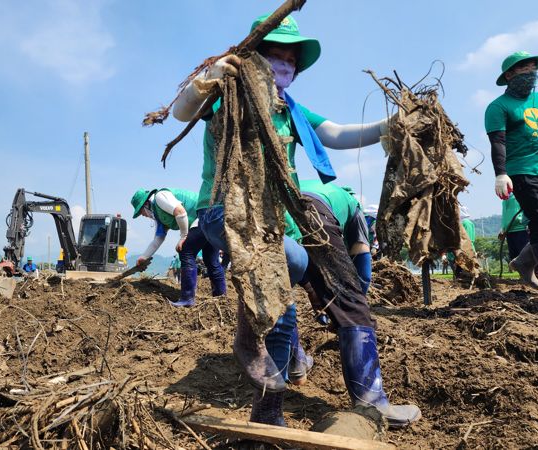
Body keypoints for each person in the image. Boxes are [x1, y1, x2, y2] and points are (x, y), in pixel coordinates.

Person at [172, 14, 419, 427]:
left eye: (290, 59)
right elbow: (182, 111)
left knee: (321, 298)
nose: (283, 64)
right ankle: (249, 339)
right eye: (274, 55)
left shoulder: (291, 110)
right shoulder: (229, 94)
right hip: (226, 213)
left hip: (279, 220)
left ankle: (360, 400)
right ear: (251, 57)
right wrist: (208, 78)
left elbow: (337, 134)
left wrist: (391, 125)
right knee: (290, 267)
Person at [485, 51, 538, 296]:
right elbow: (498, 143)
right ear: (509, 74)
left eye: (534, 67)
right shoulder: (498, 107)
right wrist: (501, 174)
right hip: (523, 172)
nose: (531, 71)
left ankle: (525, 261)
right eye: (524, 67)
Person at [284, 179, 373, 388]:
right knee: (352, 305)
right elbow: (362, 259)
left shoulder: (311, 186)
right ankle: (368, 394)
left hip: (285, 218)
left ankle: (296, 368)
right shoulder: (353, 205)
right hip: (317, 216)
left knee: (282, 294)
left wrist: (311, 288)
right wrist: (354, 303)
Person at [130, 188, 225, 307]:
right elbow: (158, 239)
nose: (143, 215)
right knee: (210, 259)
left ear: (146, 204)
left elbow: (180, 212)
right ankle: (221, 298)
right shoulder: (158, 216)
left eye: (141, 212)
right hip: (209, 218)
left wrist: (183, 236)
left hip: (204, 214)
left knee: (185, 250)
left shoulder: (160, 197)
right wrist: (144, 256)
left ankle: (187, 299)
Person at [499, 194, 529, 261]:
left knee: (527, 259)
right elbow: (505, 214)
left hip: (521, 229)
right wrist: (503, 228)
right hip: (509, 232)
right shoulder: (506, 197)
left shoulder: (519, 193)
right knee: (515, 260)